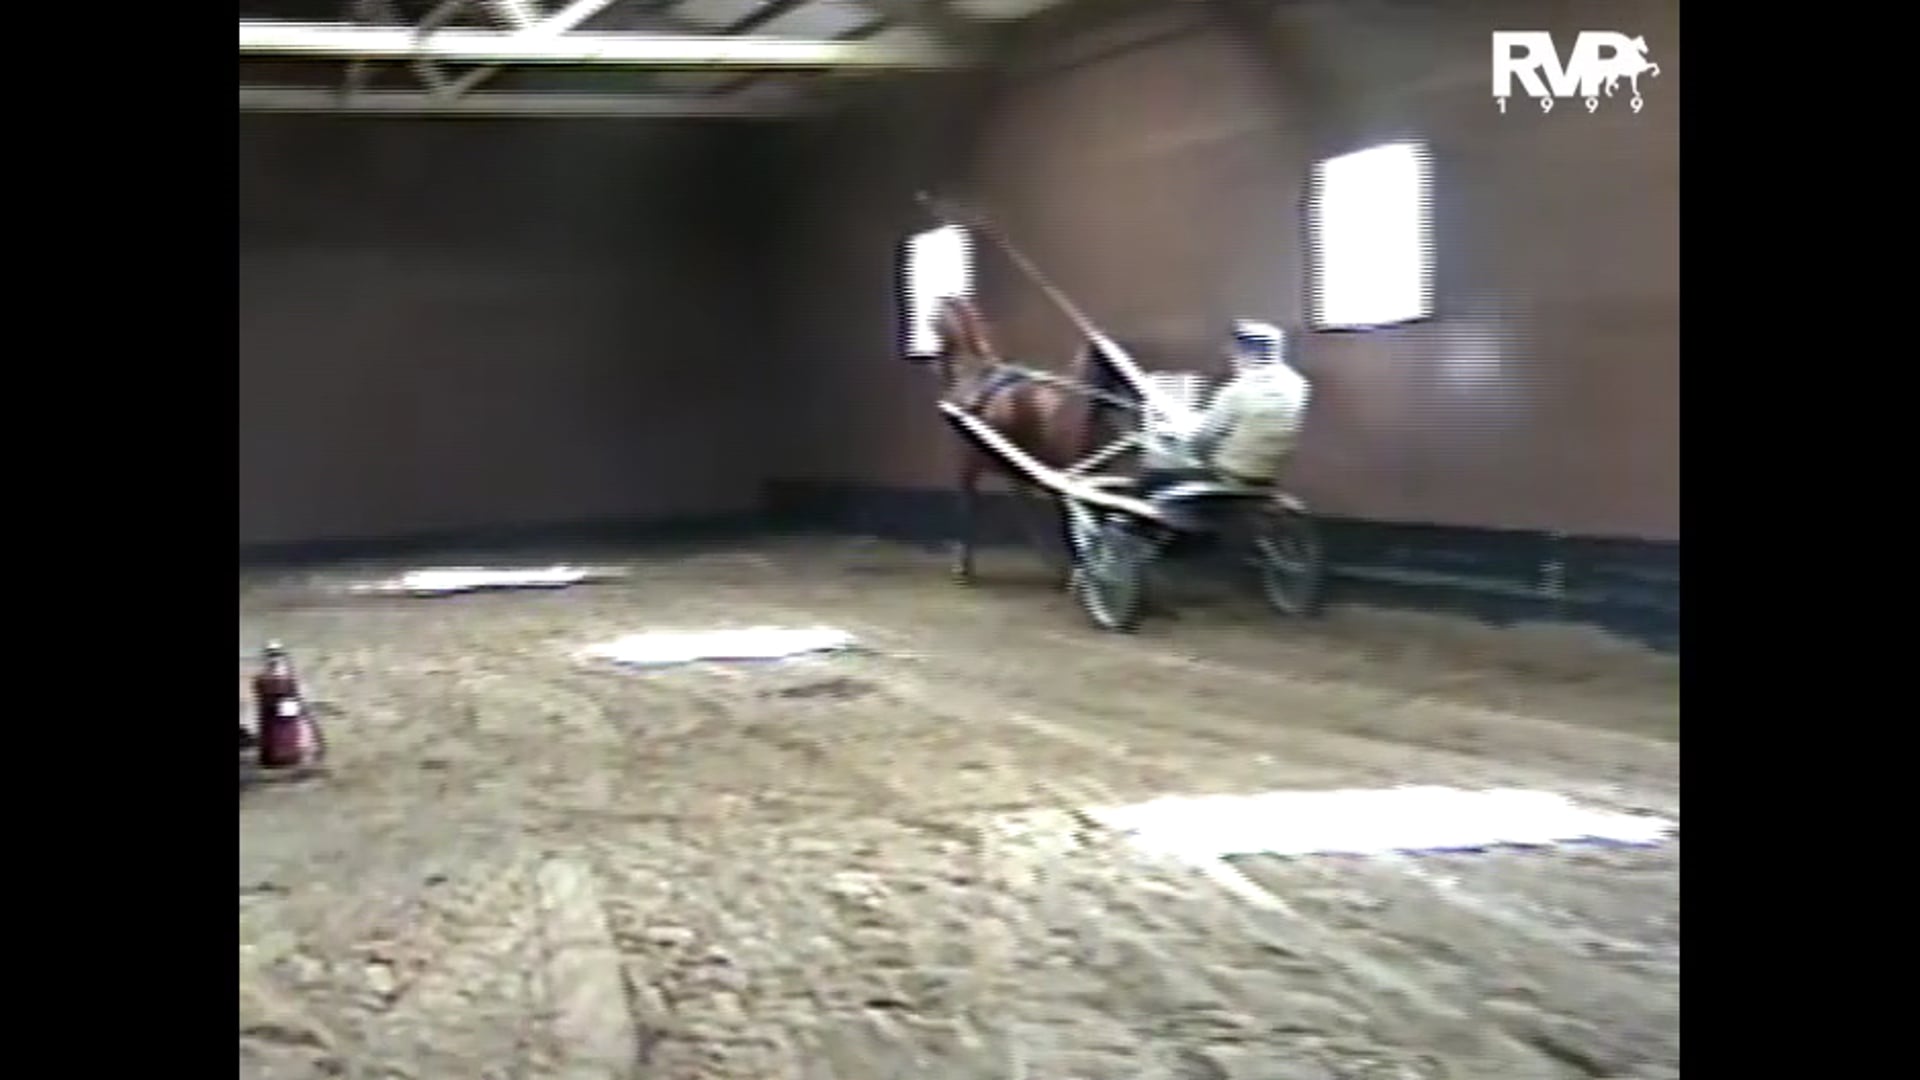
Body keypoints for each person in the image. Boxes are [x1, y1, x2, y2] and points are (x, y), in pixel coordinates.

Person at [1143, 320, 1311, 494]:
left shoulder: (1239, 390)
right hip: (1268, 478)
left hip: (1232, 478)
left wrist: (1179, 434)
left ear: (1245, 353)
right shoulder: (1298, 385)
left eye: (1234, 353)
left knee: (1156, 475)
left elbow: (1201, 445)